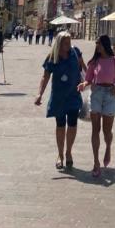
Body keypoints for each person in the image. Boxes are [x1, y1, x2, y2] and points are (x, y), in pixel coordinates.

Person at [78, 34, 115, 178]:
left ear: (105, 44)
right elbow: (88, 79)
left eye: (98, 43)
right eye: (96, 43)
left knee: (107, 131)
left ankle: (108, 147)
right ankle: (96, 163)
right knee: (95, 129)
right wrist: (84, 84)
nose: (96, 45)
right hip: (96, 94)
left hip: (110, 95)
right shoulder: (94, 61)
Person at [35, 31, 86, 170]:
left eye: (69, 42)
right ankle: (60, 155)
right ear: (59, 43)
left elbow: (84, 68)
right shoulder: (52, 57)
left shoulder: (75, 52)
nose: (68, 45)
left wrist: (88, 81)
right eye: (65, 43)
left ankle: (68, 152)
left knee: (73, 124)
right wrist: (39, 94)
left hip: (74, 96)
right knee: (60, 126)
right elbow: (45, 77)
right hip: (58, 97)